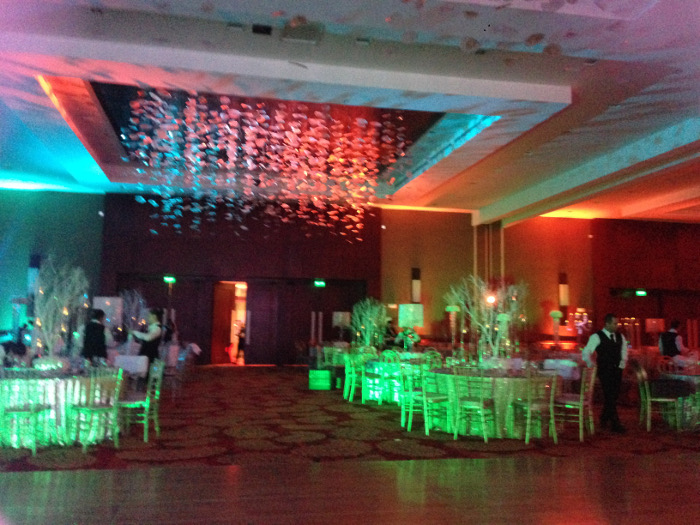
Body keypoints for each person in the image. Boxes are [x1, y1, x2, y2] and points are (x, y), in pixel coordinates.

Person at [582, 313, 628, 433]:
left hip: (617, 370)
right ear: (607, 324)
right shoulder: (596, 336)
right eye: (614, 323)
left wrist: (622, 364)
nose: (617, 326)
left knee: (614, 395)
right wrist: (590, 364)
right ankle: (615, 423)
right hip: (604, 370)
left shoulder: (620, 336)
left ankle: (604, 417)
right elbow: (586, 351)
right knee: (609, 395)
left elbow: (624, 351)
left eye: (617, 323)